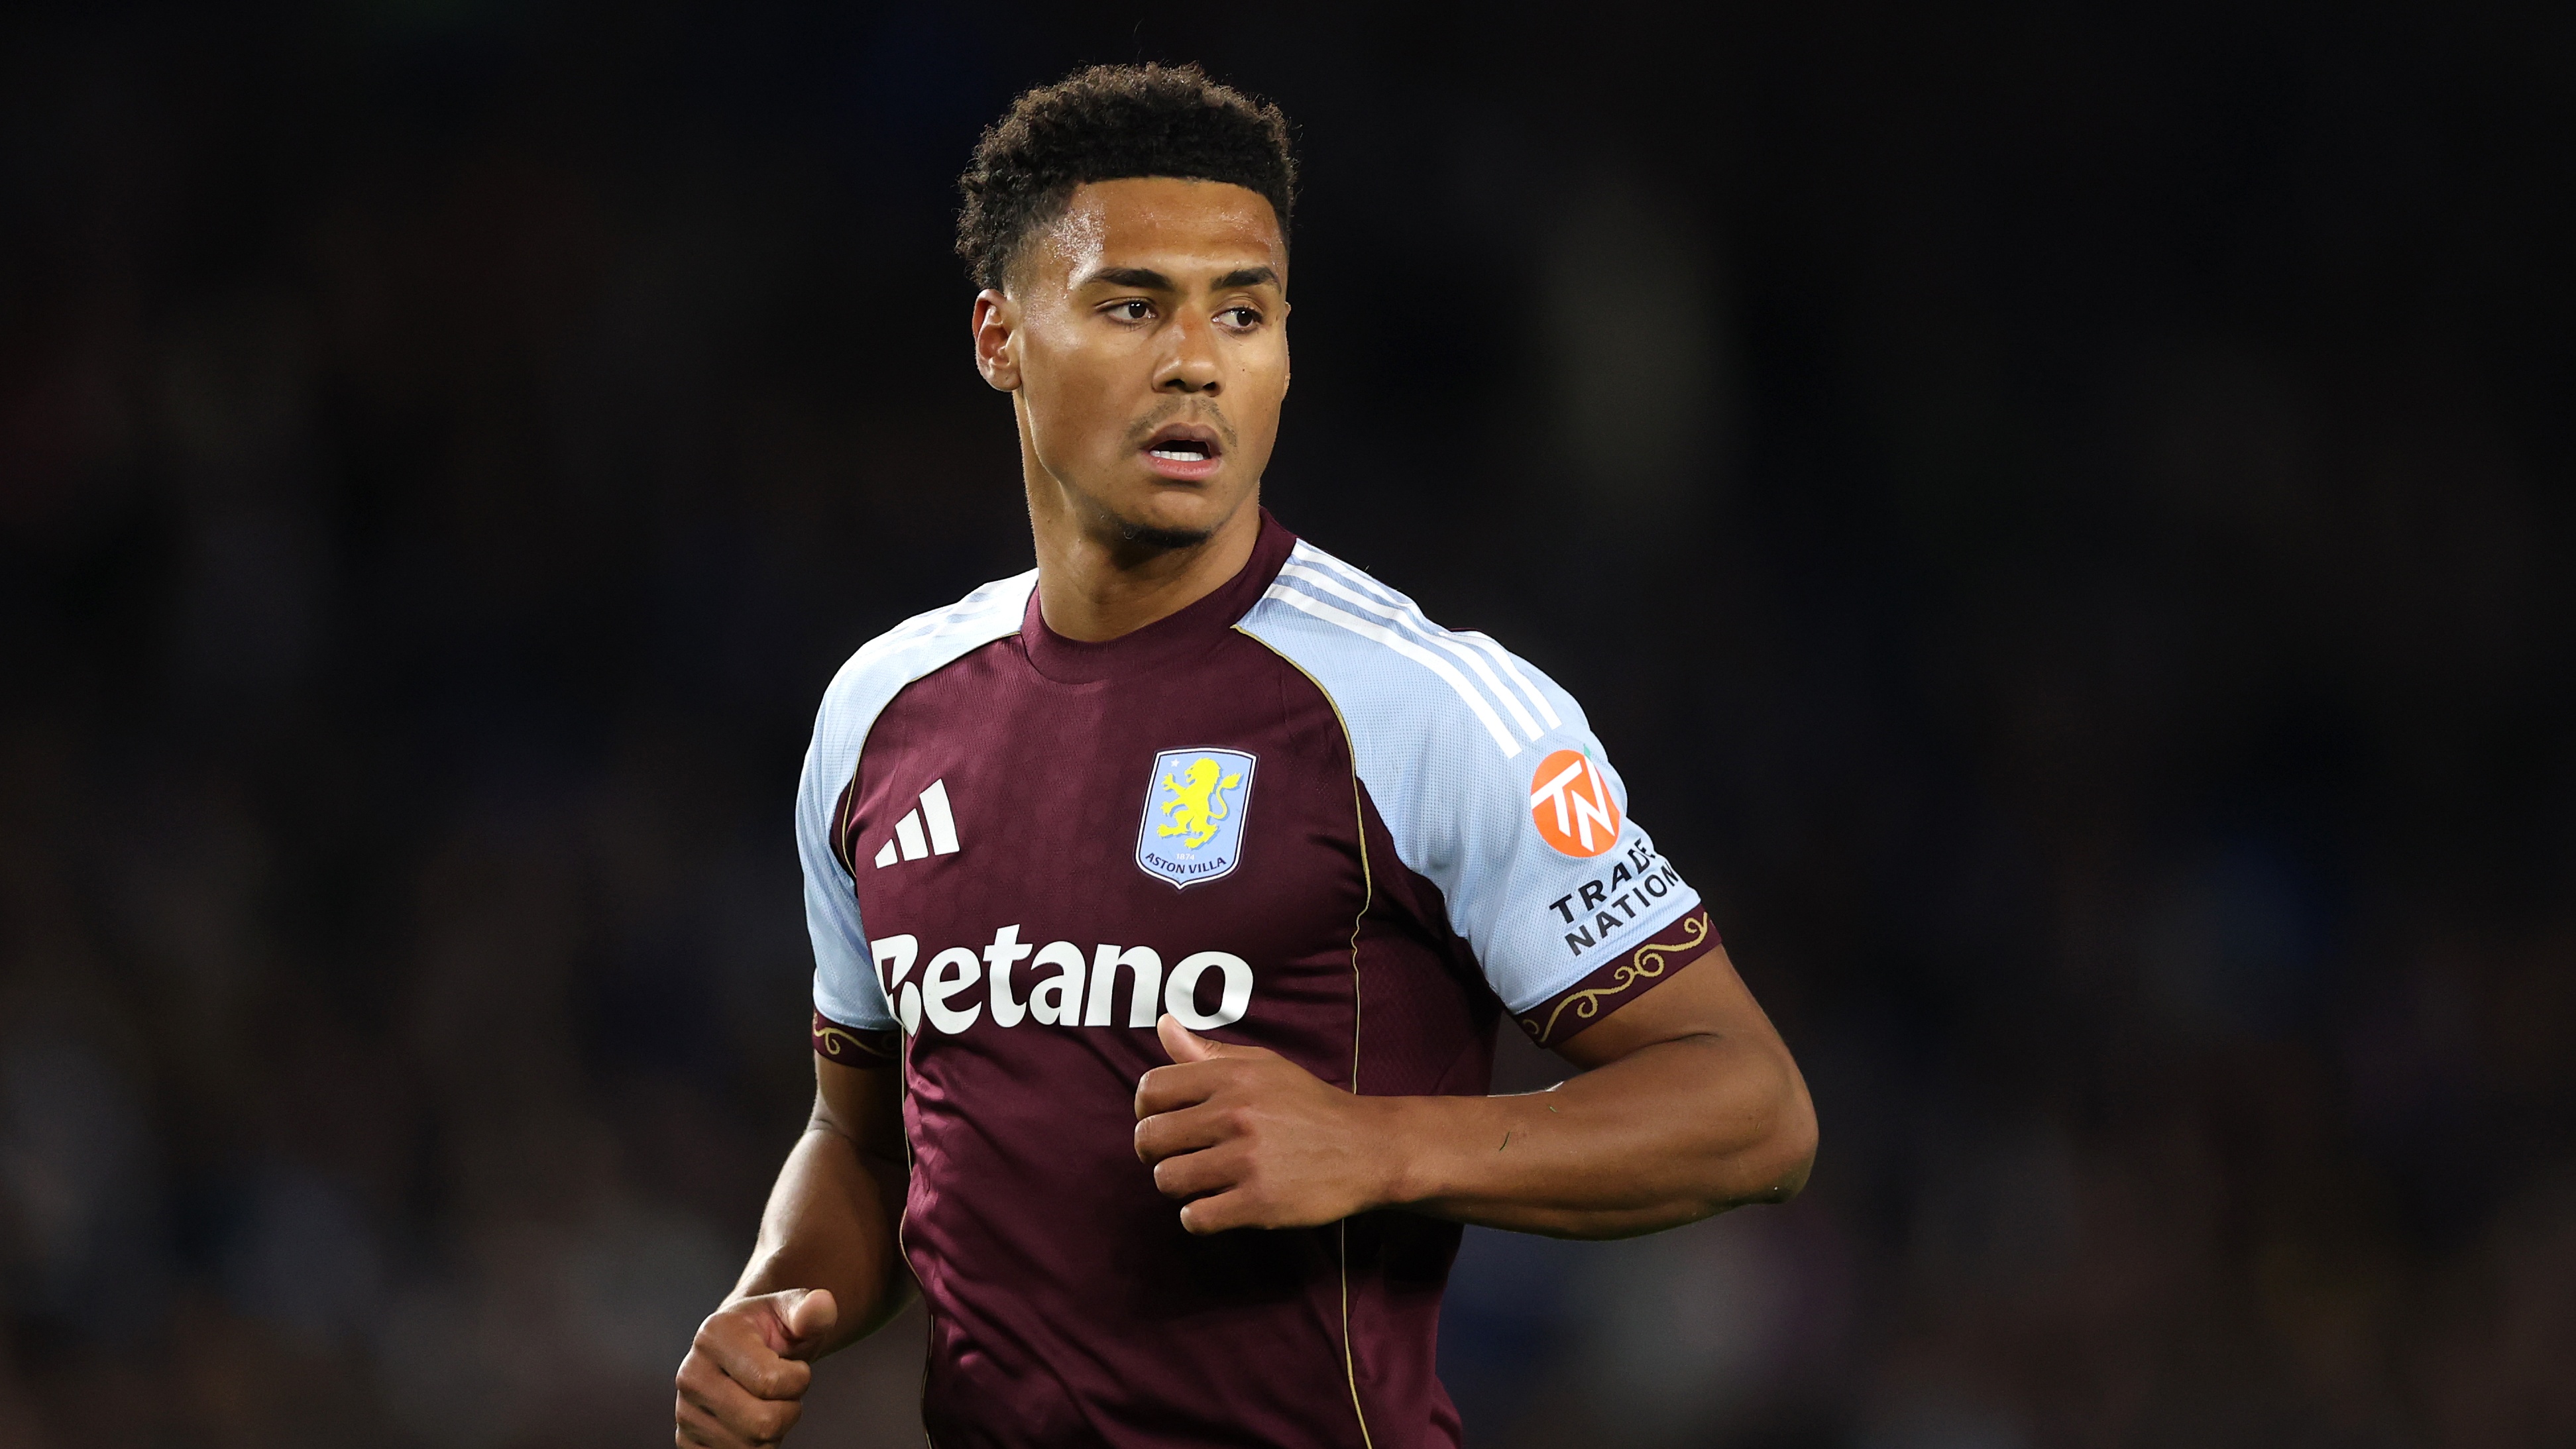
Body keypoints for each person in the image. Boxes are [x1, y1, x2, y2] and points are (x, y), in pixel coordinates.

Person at [673, 62, 1817, 1449]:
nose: (1198, 358)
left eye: (1245, 310)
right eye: (1133, 303)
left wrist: (1383, 1143)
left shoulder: (1423, 706)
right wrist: (771, 1300)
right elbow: (862, 1139)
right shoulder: (882, 712)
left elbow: (1752, 1108)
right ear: (1001, 336)